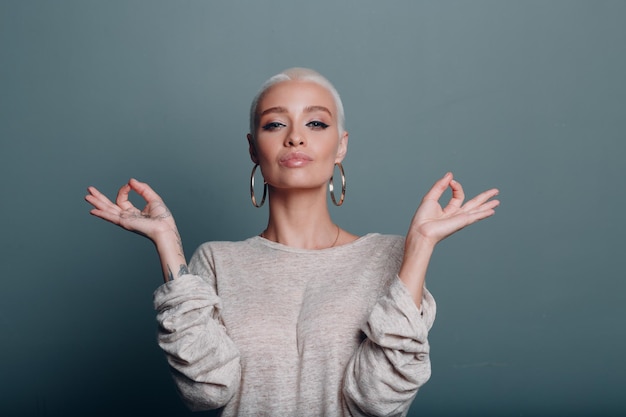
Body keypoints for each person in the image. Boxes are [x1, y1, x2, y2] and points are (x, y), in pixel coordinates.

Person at [85, 67, 499, 416]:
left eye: (316, 123)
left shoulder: (390, 257)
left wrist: (421, 244)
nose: (295, 138)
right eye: (275, 124)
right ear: (253, 147)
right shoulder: (216, 261)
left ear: (341, 146)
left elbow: (378, 399)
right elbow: (206, 390)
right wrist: (167, 243)